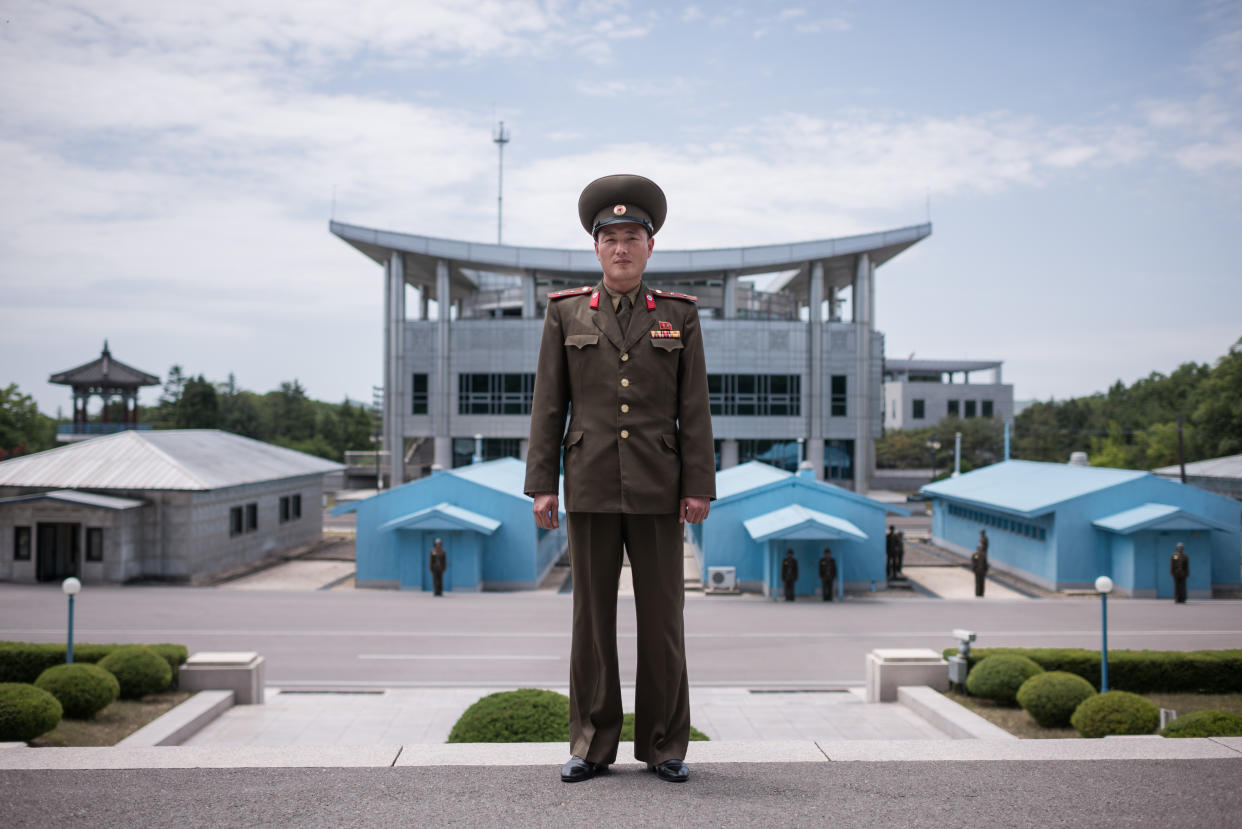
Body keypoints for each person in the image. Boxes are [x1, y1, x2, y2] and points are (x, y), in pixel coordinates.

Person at [525, 174, 715, 785]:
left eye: (632, 236)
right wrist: (543, 484)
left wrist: (698, 485)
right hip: (590, 483)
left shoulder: (679, 317)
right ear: (597, 247)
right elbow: (548, 405)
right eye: (610, 238)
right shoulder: (566, 313)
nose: (621, 247)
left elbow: (696, 408)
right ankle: (591, 744)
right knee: (591, 620)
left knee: (664, 620)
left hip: (661, 487)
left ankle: (664, 746)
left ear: (650, 246)